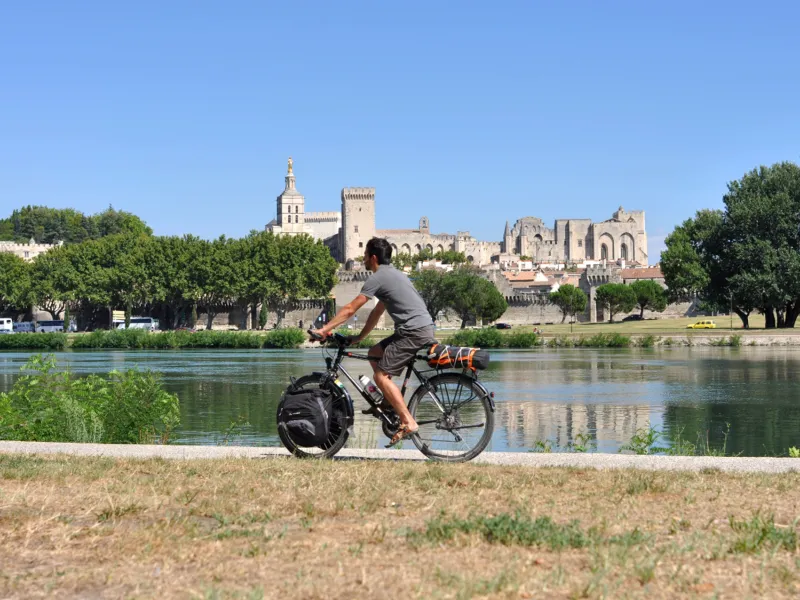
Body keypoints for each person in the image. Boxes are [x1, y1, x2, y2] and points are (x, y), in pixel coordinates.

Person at [310, 237, 435, 446]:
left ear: (373, 258)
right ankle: (388, 403)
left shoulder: (377, 278)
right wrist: (360, 338)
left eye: (366, 255)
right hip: (418, 328)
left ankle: (408, 421)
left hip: (413, 331)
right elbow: (377, 313)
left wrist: (324, 329)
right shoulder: (394, 275)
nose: (363, 258)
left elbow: (350, 308)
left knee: (381, 377)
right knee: (374, 353)